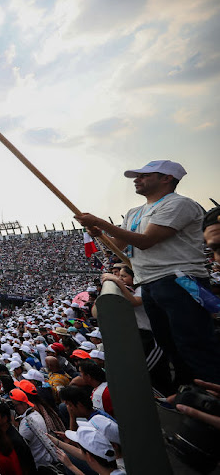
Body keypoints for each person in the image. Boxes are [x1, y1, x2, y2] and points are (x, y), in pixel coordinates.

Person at [75, 160, 220, 385]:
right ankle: (188, 390)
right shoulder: (134, 212)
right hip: (150, 281)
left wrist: (101, 222)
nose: (136, 180)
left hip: (180, 279)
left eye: (144, 176)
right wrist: (99, 233)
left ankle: (211, 395)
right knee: (167, 341)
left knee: (193, 341)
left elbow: (146, 241)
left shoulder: (178, 204)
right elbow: (119, 246)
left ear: (166, 178)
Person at [99, 266, 173, 395]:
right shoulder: (135, 289)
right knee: (152, 374)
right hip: (142, 336)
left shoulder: (141, 289)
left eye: (123, 276)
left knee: (146, 373)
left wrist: (116, 282)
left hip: (151, 338)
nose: (120, 278)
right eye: (119, 276)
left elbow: (133, 302)